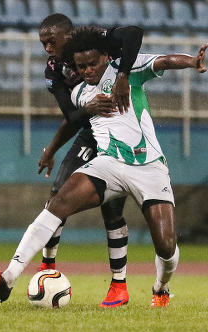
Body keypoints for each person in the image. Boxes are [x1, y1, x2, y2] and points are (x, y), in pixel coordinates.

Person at [0, 27, 207, 307]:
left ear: (106, 57)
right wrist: (87, 110)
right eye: (82, 67)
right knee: (57, 203)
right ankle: (6, 278)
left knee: (166, 246)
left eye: (93, 63)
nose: (88, 70)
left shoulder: (127, 69)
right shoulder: (80, 94)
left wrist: (191, 62)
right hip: (108, 164)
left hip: (148, 167)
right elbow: (75, 116)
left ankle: (161, 287)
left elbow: (164, 60)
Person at [35, 14, 143, 308]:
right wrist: (53, 149)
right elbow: (71, 117)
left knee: (113, 212)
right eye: (43, 42)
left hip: (120, 134)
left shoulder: (94, 39)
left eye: (51, 41)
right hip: (89, 133)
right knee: (57, 195)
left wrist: (122, 77)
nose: (47, 48)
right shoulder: (54, 69)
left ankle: (119, 286)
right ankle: (47, 269)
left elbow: (133, 32)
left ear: (67, 37)